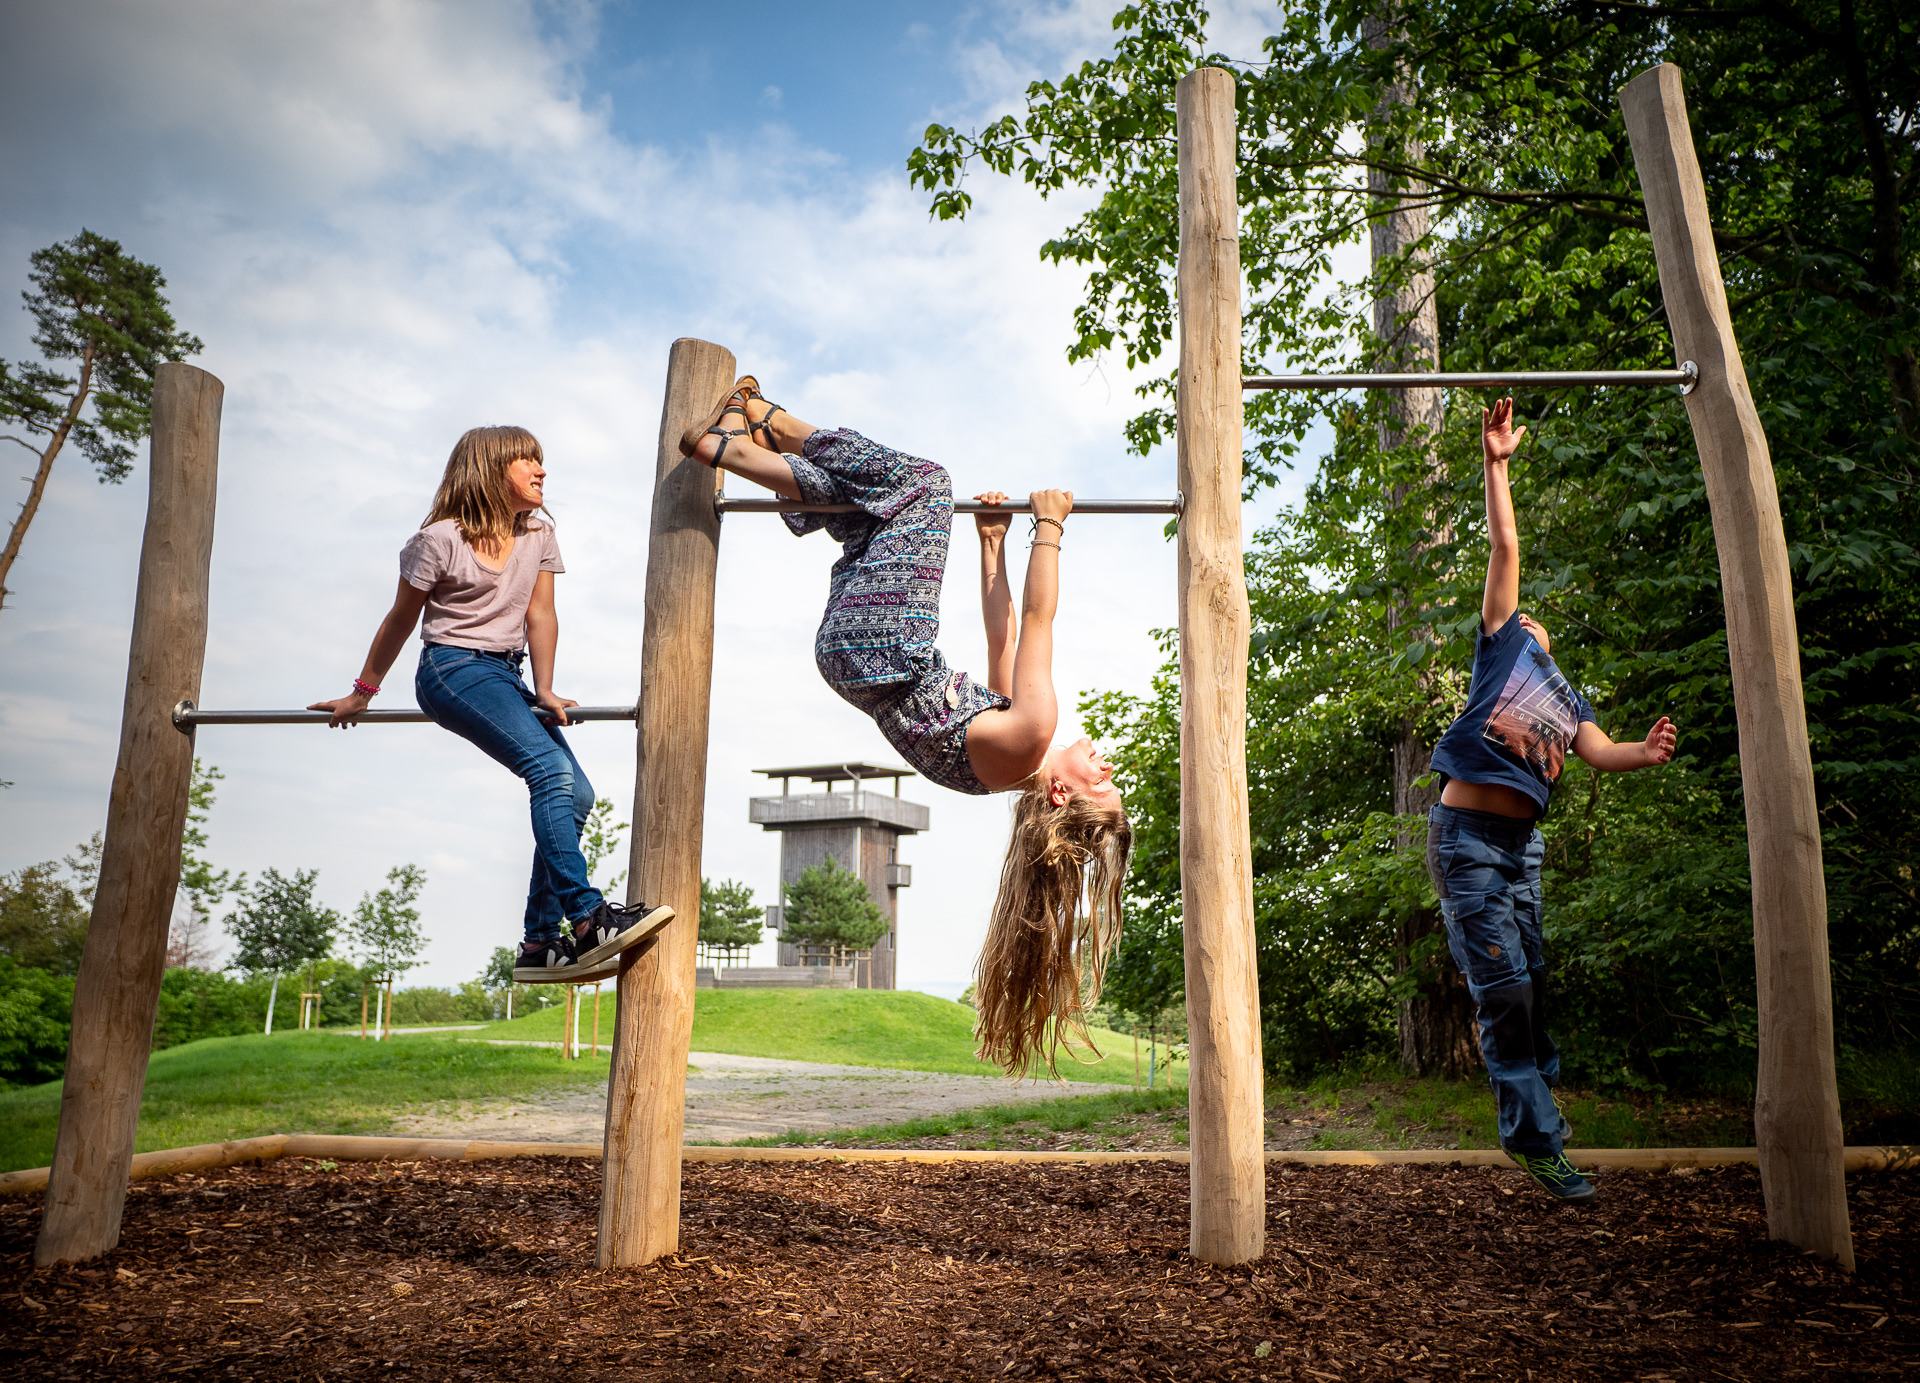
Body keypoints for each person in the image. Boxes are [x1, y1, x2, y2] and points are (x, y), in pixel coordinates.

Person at [683, 378, 1132, 1077]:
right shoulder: (1006, 762)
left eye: (1100, 785)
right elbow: (1003, 634)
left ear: (1059, 798)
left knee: (924, 484)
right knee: (868, 511)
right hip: (860, 654)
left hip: (885, 647)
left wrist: (1051, 526)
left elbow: (1041, 622)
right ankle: (744, 450)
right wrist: (992, 547)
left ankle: (764, 425)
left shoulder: (1033, 735)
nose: (1106, 767)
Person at [309, 425, 673, 985]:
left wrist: (546, 688)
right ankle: (588, 919)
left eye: (541, 461)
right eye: (526, 460)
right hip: (451, 669)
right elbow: (402, 619)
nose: (541, 470)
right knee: (549, 772)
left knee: (575, 793)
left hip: (507, 672)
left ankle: (538, 945)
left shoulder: (539, 534)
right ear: (488, 470)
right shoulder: (439, 539)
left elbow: (540, 615)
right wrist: (363, 692)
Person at [1427, 397, 1678, 1202]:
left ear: (1553, 640)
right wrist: (1496, 464)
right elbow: (1505, 545)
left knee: (1531, 984)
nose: (1529, 615)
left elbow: (1596, 751)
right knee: (1505, 992)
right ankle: (1535, 1138)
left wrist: (1643, 749)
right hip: (1466, 837)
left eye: (1539, 620)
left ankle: (1537, 1097)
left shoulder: (1567, 696)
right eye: (1522, 613)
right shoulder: (1501, 648)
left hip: (1521, 853)